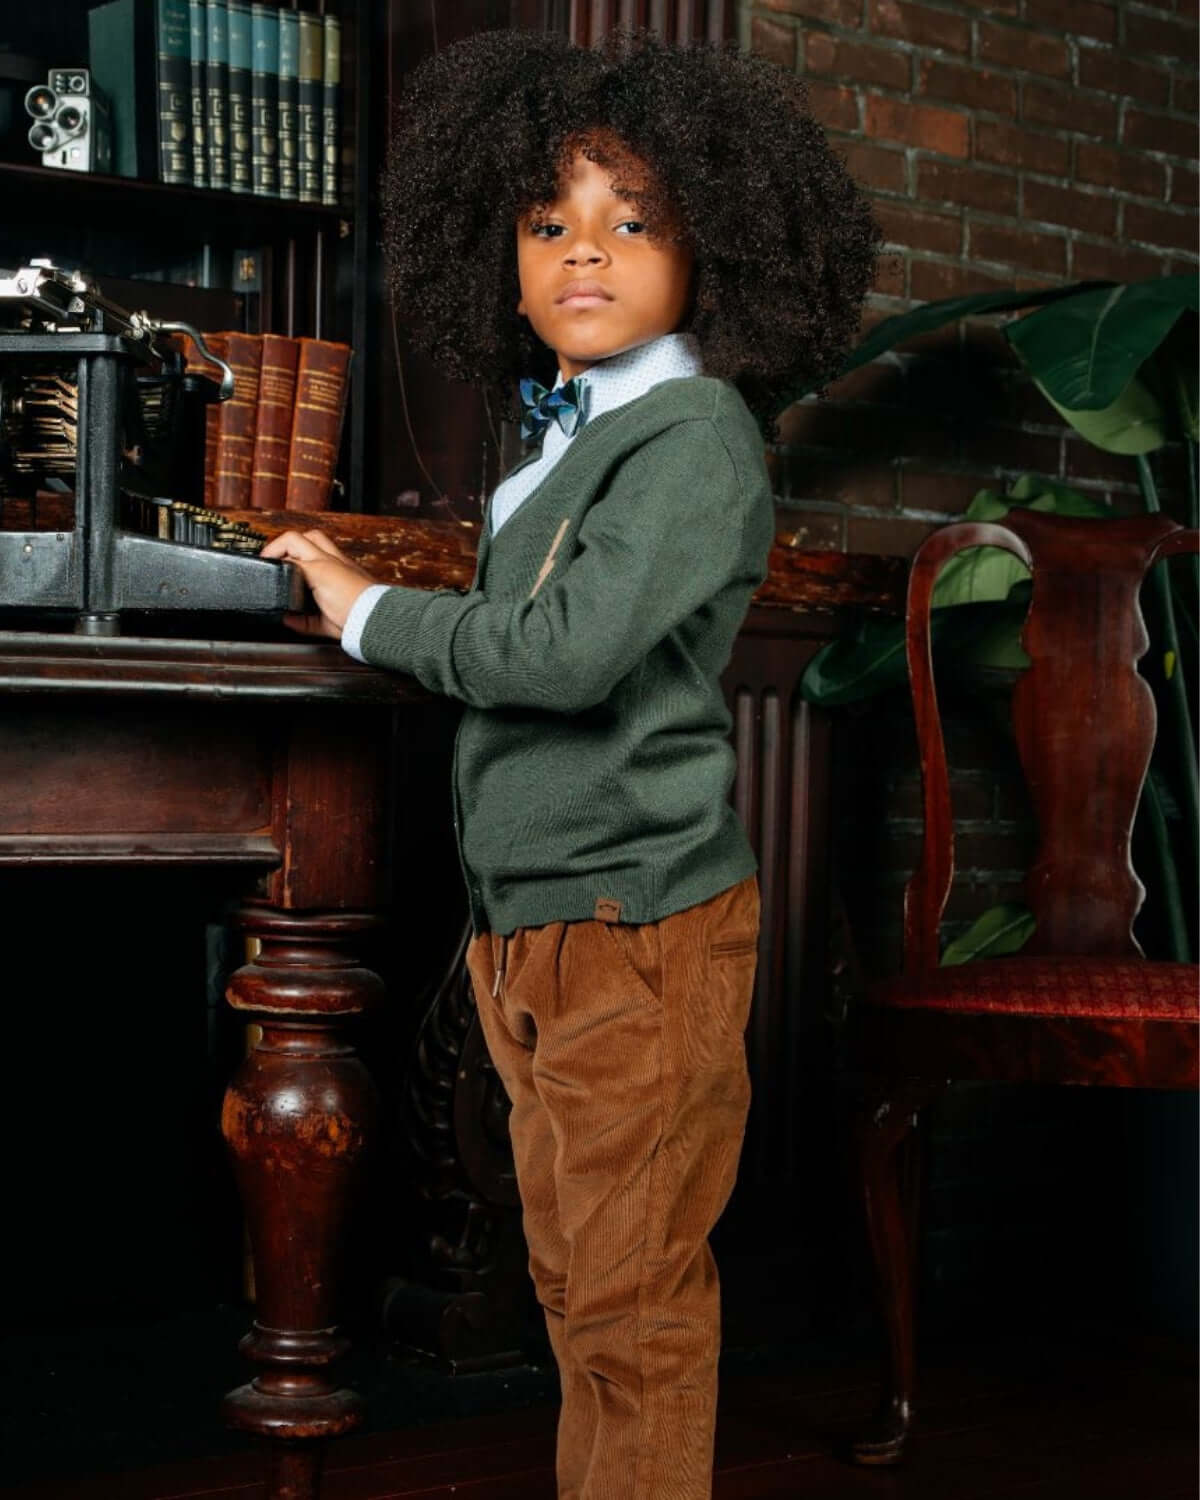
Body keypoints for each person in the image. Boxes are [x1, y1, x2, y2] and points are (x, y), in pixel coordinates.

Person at [262, 27, 878, 1499]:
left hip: (635, 925)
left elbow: (562, 657)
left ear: (715, 252)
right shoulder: (569, 435)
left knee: (630, 1300)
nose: (582, 251)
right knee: (576, 1288)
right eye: (549, 223)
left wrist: (367, 608)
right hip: (539, 919)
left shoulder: (694, 434)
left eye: (632, 221)